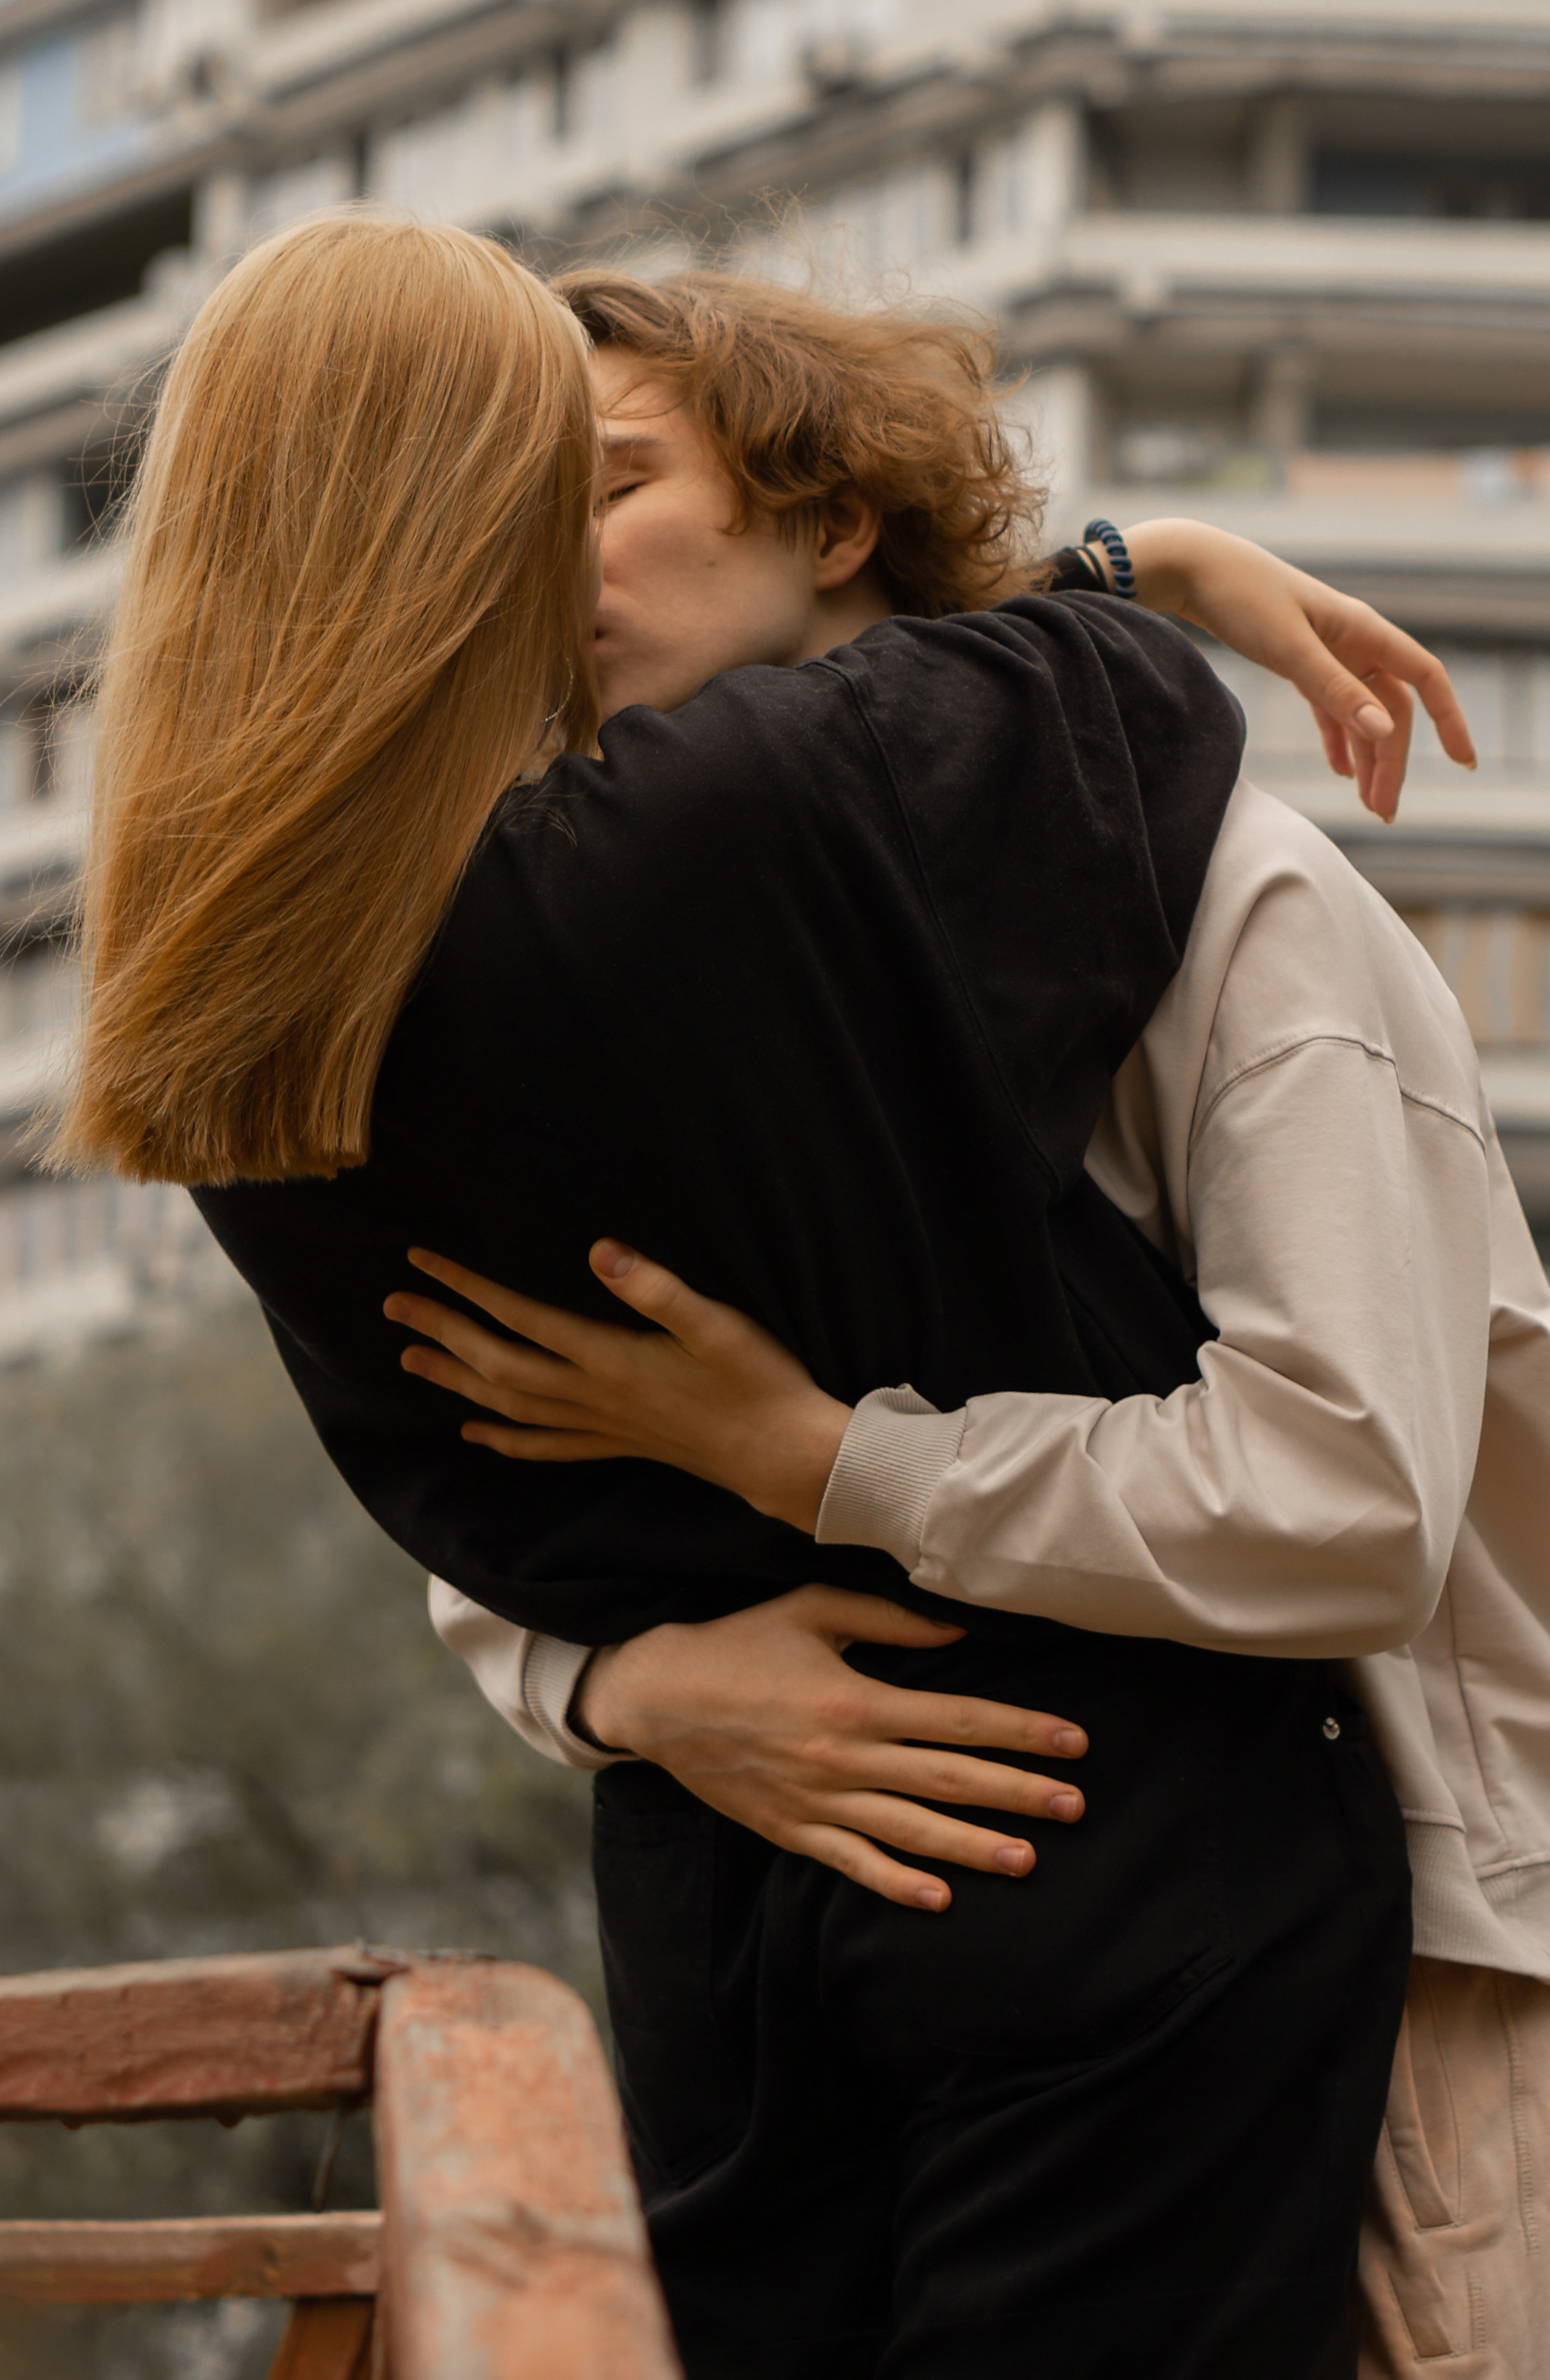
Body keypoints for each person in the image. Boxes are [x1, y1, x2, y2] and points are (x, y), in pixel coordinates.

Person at [57, 209, 1473, 2380]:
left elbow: (483, 1518)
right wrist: (1142, 565)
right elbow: (1078, 698)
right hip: (1098, 1832)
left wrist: (632, 1673)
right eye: (538, 492)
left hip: (721, 1925)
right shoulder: (721, 836)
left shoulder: (219, 1033)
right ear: (453, 533)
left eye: (609, 487)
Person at [389, 278, 1550, 2380]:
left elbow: (1346, 1499)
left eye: (609, 489)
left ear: (832, 521)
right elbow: (507, 1452)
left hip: (1438, 1964)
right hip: (898, 2003)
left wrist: (820, 1458)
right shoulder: (648, 965)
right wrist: (625, 1682)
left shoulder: (1245, 907)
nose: (546, 563)